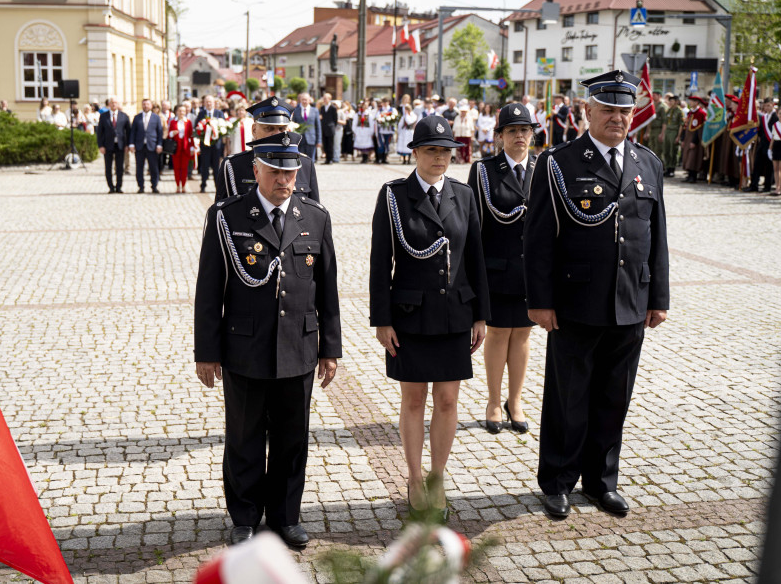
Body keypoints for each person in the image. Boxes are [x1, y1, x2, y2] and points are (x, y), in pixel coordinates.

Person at [524, 70, 669, 520]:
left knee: (614, 396)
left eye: (625, 110)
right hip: (576, 301)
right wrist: (540, 300)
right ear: (587, 111)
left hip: (629, 300)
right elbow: (539, 238)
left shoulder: (648, 163)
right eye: (608, 109)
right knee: (569, 396)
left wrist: (657, 297)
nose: (618, 118)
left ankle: (602, 481)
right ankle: (558, 481)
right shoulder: (559, 162)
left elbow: (656, 235)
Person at [194, 134, 341, 548]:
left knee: (292, 439)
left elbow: (327, 288)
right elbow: (209, 290)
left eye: (290, 170)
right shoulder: (229, 216)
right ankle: (244, 517)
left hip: (298, 346)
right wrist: (207, 352)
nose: (283, 178)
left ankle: (285, 515)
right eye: (274, 170)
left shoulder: (314, 217)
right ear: (255, 170)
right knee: (244, 436)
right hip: (245, 346)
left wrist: (330, 347)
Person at [369, 115, 490, 522]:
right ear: (415, 152)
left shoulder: (464, 194)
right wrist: (381, 320)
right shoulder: (393, 196)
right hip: (410, 316)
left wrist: (481, 315)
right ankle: (414, 478)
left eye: (446, 151)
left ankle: (437, 477)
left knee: (448, 399)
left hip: (456, 313)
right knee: (414, 399)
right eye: (432, 150)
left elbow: (476, 257)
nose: (440, 158)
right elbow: (378, 262)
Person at [467, 103, 537, 435]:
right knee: (496, 336)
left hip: (529, 272)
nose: (520, 136)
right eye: (512, 131)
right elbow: (475, 225)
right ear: (500, 136)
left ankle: (516, 399)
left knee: (522, 336)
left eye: (525, 130)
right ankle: (494, 401)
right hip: (495, 270)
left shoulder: (543, 169)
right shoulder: (483, 171)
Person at [215, 97, 320, 203]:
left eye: (282, 129)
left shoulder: (304, 164)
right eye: (269, 128)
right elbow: (221, 214)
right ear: (254, 130)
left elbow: (313, 213)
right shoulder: (233, 166)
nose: (276, 134)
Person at [96, 95, 130, 194]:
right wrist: (101, 145)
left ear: (118, 104)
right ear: (109, 104)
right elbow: (100, 132)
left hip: (120, 145)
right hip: (108, 145)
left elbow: (128, 131)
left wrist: (127, 145)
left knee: (120, 167)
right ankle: (111, 187)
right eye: (112, 103)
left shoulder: (124, 116)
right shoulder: (104, 116)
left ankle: (119, 186)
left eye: (116, 103)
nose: (114, 104)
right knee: (108, 167)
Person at [129, 98, 164, 194]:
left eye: (147, 104)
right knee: (139, 168)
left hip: (152, 146)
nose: (146, 106)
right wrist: (131, 144)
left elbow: (159, 132)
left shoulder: (156, 118)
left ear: (151, 106)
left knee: (154, 168)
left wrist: (159, 144)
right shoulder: (137, 117)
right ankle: (141, 187)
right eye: (144, 104)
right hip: (139, 146)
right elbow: (133, 132)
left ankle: (154, 186)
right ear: (142, 105)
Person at [745, 99, 776, 193]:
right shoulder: (763, 117)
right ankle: (754, 185)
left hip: (771, 145)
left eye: (768, 105)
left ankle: (767, 186)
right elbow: (760, 130)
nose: (766, 108)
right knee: (757, 165)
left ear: (772, 105)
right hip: (762, 144)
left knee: (769, 167)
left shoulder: (776, 116)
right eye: (765, 106)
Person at [196, 95, 226, 193]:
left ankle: (217, 187)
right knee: (204, 166)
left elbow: (224, 128)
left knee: (216, 167)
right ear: (204, 103)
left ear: (214, 103)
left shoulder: (219, 113)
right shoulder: (201, 113)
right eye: (207, 102)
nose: (209, 103)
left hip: (216, 145)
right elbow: (196, 128)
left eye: (210, 102)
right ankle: (203, 185)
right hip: (205, 145)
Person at [168, 104, 195, 193]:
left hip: (185, 148)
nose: (181, 113)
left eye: (183, 111)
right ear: (176, 112)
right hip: (176, 148)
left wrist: (192, 148)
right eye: (180, 111)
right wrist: (172, 133)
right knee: (176, 168)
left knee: (184, 168)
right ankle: (177, 186)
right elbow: (169, 135)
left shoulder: (188, 122)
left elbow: (191, 136)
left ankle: (183, 186)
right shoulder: (172, 122)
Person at [680, 96, 707, 183]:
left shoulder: (701, 113)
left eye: (692, 101)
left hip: (695, 138)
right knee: (687, 156)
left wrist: (694, 141)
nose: (690, 103)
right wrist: (683, 139)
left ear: (696, 102)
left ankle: (693, 176)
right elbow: (685, 126)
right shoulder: (690, 113)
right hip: (688, 136)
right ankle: (689, 175)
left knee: (693, 157)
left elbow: (699, 129)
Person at [292, 93, 322, 162]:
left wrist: (319, 140)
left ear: (309, 100)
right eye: (303, 100)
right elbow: (293, 125)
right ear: (300, 100)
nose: (304, 101)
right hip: (300, 140)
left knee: (311, 160)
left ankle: (311, 173)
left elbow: (318, 126)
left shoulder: (315, 111)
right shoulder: (296, 111)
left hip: (311, 139)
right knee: (300, 160)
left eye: (306, 100)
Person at [662, 94, 683, 177]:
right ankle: (667, 168)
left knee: (673, 151)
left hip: (674, 132)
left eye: (672, 101)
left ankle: (672, 169)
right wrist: (663, 133)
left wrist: (678, 136)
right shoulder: (669, 110)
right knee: (666, 150)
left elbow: (681, 124)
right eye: (669, 101)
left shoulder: (679, 111)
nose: (670, 102)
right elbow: (666, 123)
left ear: (676, 102)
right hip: (667, 131)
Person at [395, 94, 416, 164]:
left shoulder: (412, 115)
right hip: (404, 132)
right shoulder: (402, 115)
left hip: (410, 131)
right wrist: (398, 131)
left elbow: (410, 121)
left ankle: (409, 159)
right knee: (403, 144)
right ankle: (404, 159)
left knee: (409, 144)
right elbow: (400, 124)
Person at [452, 99, 474, 164]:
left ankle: (467, 160)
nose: (463, 113)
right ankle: (459, 160)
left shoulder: (469, 118)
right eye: (462, 111)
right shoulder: (457, 118)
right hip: (458, 135)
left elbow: (472, 128)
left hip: (467, 135)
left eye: (464, 111)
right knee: (459, 148)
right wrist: (454, 136)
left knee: (467, 148)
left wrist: (472, 137)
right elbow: (454, 128)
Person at [319, 93, 339, 164]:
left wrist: (333, 126)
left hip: (330, 128)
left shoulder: (333, 108)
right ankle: (327, 158)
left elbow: (335, 119)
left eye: (325, 98)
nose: (324, 100)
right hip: (324, 128)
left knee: (330, 144)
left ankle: (331, 158)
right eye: (323, 98)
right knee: (325, 144)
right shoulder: (322, 107)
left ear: (329, 99)